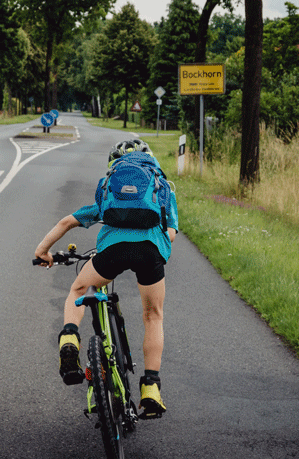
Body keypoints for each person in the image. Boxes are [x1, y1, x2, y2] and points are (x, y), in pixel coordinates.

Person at [34, 139, 178, 419]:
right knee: (153, 316)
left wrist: (43, 251)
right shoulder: (162, 190)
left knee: (78, 288)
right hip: (150, 252)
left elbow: (67, 221)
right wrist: (157, 249)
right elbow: (170, 232)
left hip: (111, 251)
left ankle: (70, 340)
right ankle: (150, 389)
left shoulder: (108, 188)